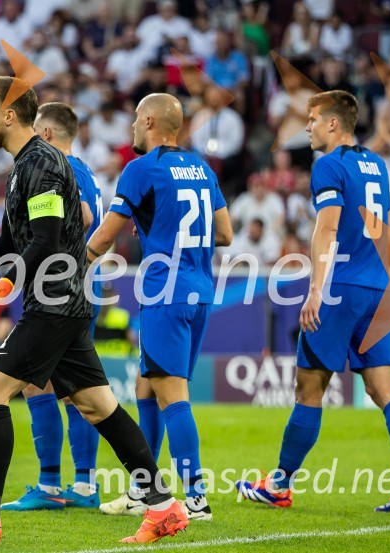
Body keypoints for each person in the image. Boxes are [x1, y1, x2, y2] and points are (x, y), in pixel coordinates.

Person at [0, 76, 186, 545]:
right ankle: (164, 507)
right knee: (98, 405)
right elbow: (12, 243)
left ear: (9, 114)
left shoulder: (42, 164)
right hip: (62, 303)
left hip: (54, 304)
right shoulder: (24, 165)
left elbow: (45, 240)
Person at [235, 90, 390, 514]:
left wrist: (317, 289)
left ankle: (279, 485)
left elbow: (326, 230)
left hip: (340, 289)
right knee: (385, 388)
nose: (307, 127)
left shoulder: (328, 166)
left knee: (309, 389)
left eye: (313, 119)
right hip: (378, 287)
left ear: (334, 124)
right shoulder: (376, 165)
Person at [85, 93, 232, 522]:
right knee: (148, 386)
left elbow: (103, 237)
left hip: (165, 292)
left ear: (149, 121)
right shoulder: (203, 169)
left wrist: (70, 268)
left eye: (135, 118)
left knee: (171, 393)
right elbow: (224, 234)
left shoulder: (140, 169)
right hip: (198, 290)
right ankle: (142, 489)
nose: (131, 125)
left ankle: (197, 498)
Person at [0, 102, 105, 512]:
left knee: (38, 384)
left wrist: (37, 236)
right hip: (74, 288)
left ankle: (52, 485)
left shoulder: (61, 167)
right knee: (76, 392)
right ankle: (81, 486)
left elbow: (84, 213)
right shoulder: (84, 170)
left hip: (56, 290)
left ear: (45, 131)